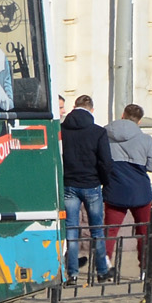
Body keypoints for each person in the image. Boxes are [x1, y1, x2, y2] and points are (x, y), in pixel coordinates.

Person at [103, 104, 152, 281]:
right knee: (144, 232)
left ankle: (105, 269)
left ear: (122, 114)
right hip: (140, 192)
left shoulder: (105, 134)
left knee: (110, 232)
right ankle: (145, 270)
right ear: (139, 120)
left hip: (115, 188)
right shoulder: (146, 139)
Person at [60, 95, 112, 284]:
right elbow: (106, 161)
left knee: (71, 230)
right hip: (92, 185)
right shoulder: (98, 132)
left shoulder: (62, 130)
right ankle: (102, 272)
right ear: (91, 109)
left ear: (75, 107)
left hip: (69, 185)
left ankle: (72, 274)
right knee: (97, 230)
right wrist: (105, 183)